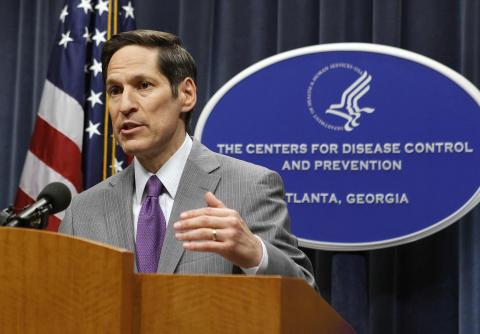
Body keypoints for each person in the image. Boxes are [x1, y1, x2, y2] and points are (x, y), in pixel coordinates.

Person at [59, 29, 316, 288]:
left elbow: (306, 298)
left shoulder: (250, 187)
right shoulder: (82, 212)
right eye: (115, 90)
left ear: (186, 94)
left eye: (143, 86)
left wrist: (255, 254)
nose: (125, 105)